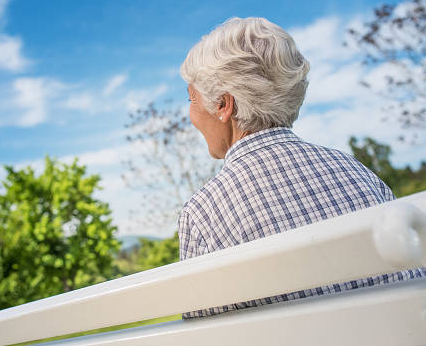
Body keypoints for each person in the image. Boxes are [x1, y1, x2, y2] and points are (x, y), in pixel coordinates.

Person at [178, 17, 425, 319]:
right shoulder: (357, 172)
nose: (190, 113)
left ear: (223, 105)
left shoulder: (203, 214)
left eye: (192, 99)